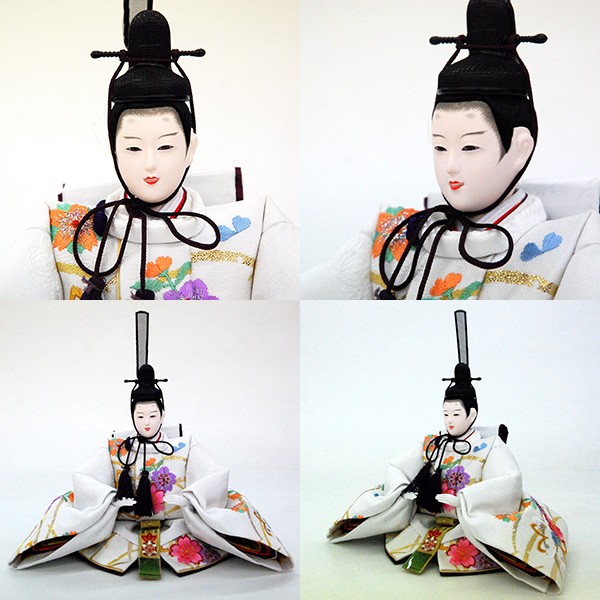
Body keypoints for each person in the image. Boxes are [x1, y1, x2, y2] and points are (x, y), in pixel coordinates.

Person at [301, 0, 600, 300]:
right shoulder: (393, 232)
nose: (450, 165)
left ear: (520, 149)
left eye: (470, 146)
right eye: (440, 146)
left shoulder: (571, 246)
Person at [0, 9, 297, 300]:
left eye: (166, 146)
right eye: (133, 148)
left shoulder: (257, 229)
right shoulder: (57, 231)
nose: (150, 164)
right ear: (113, 151)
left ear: (190, 149)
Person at [10, 312, 293, 578]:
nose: (146, 423)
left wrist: (190, 498)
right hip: (121, 525)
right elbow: (85, 478)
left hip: (180, 524)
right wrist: (110, 500)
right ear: (132, 416)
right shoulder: (116, 447)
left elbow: (215, 475)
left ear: (163, 415)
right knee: (76, 517)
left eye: (153, 415)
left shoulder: (184, 446)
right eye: (140, 416)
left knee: (225, 516)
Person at [328, 311, 567, 593]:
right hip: (427, 517)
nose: (449, 421)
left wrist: (464, 499)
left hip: (467, 521)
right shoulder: (433, 443)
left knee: (511, 532)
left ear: (472, 414)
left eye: (456, 414)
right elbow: (398, 467)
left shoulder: (490, 446)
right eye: (445, 414)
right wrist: (408, 489)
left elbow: (509, 481)